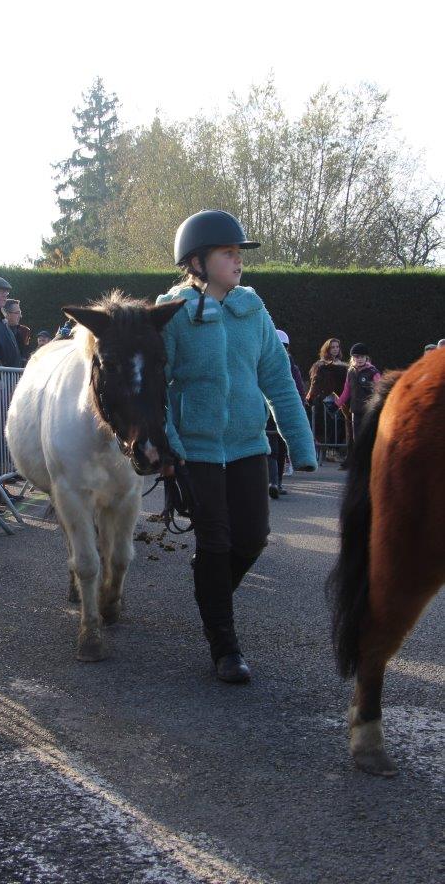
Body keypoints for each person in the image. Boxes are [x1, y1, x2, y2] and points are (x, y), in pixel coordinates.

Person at [157, 209, 317, 684]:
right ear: (198, 262)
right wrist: (171, 446)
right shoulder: (172, 313)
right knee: (216, 540)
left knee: (252, 538)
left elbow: (278, 380)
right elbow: (156, 388)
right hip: (197, 450)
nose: (237, 261)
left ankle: (212, 596)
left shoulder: (253, 309)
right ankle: (225, 647)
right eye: (228, 253)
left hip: (249, 445)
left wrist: (300, 444)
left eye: (238, 253)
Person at [266, 330, 307, 499]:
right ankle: (277, 483)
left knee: (273, 448)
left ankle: (274, 482)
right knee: (279, 448)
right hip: (284, 410)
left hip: (269, 409)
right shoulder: (290, 364)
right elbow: (299, 389)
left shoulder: (264, 361)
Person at [306, 338, 349, 460]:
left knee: (340, 421)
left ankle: (336, 449)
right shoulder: (321, 364)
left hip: (338, 400)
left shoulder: (341, 363)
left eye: (337, 347)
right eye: (332, 347)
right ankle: (329, 450)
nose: (335, 349)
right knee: (330, 422)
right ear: (327, 349)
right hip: (325, 399)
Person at [334, 343, 381, 441]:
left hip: (369, 412)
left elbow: (379, 392)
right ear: (352, 358)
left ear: (366, 358)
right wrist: (336, 404)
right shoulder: (351, 372)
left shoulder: (373, 372)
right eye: (356, 357)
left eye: (362, 357)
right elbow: (346, 391)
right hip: (355, 411)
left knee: (369, 438)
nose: (359, 359)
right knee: (357, 440)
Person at [4, 299, 31, 364]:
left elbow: (25, 353)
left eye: (20, 313)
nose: (20, 316)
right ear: (6, 314)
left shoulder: (24, 331)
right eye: (17, 313)